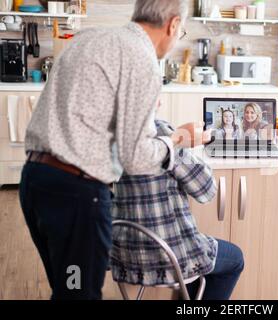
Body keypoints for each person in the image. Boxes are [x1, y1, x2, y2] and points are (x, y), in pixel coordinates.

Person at [18, 0, 206, 300]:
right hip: (76, 195)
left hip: (34, 181)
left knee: (67, 289)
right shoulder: (142, 59)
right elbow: (137, 158)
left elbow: (85, 111)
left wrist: (137, 110)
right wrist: (179, 138)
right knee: (78, 294)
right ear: (172, 25)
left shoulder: (90, 39)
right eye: (181, 31)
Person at [111, 119, 244, 300]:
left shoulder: (108, 134)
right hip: (172, 260)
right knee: (235, 259)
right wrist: (187, 145)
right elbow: (207, 191)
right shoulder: (163, 135)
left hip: (125, 259)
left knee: (198, 266)